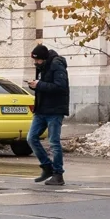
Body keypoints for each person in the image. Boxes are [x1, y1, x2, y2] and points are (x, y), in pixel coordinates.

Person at [29, 44, 69, 186]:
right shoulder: (42, 66)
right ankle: (47, 167)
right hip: (41, 109)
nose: (36, 63)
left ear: (44, 58)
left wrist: (39, 85)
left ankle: (58, 174)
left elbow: (60, 86)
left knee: (54, 142)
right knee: (31, 138)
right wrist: (34, 84)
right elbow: (43, 84)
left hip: (55, 110)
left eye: (38, 60)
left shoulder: (57, 65)